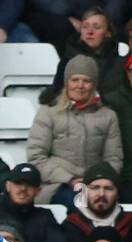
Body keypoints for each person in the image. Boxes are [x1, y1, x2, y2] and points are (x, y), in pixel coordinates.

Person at [27, 57, 123, 206]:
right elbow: (36, 157)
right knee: (79, 202)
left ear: (94, 84)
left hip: (97, 185)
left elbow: (114, 159)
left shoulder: (108, 116)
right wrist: (69, 179)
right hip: (58, 185)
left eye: (86, 81)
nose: (80, 86)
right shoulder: (48, 112)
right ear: (67, 83)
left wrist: (97, 181)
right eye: (75, 80)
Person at [59, 160, 132, 242]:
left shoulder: (130, 223)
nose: (101, 194)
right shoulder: (71, 225)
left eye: (108, 188)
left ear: (118, 193)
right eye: (95, 188)